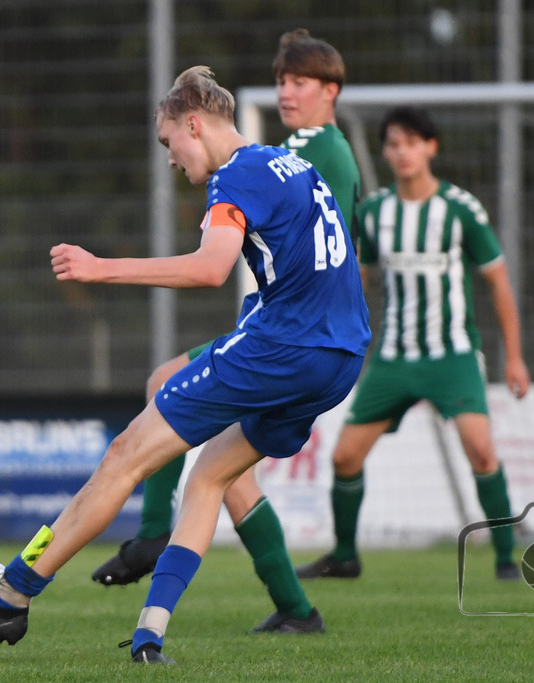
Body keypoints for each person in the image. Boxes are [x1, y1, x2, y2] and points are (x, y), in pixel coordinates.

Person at [0, 66, 371, 665]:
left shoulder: (236, 177)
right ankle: (150, 635)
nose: (170, 159)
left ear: (193, 123)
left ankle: (9, 600)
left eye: (167, 143)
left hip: (285, 347)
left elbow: (211, 268)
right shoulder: (290, 164)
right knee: (210, 476)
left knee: (125, 453)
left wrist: (100, 267)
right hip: (342, 354)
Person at [90, 28, 360, 635]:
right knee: (222, 470)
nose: (286, 92)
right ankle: (293, 607)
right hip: (288, 327)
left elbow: (322, 252)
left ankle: (155, 536)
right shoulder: (298, 149)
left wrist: (105, 267)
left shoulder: (317, 153)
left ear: (330, 91)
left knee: (171, 390)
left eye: (300, 82)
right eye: (282, 80)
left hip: (291, 334)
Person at [294, 106, 530, 582]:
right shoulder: (376, 212)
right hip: (394, 358)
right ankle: (344, 556)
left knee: (480, 449)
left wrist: (515, 358)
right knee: (344, 457)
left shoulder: (461, 208)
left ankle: (506, 558)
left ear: (430, 147)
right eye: (393, 144)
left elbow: (498, 282)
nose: (401, 153)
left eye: (411, 142)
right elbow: (354, 278)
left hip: (454, 355)